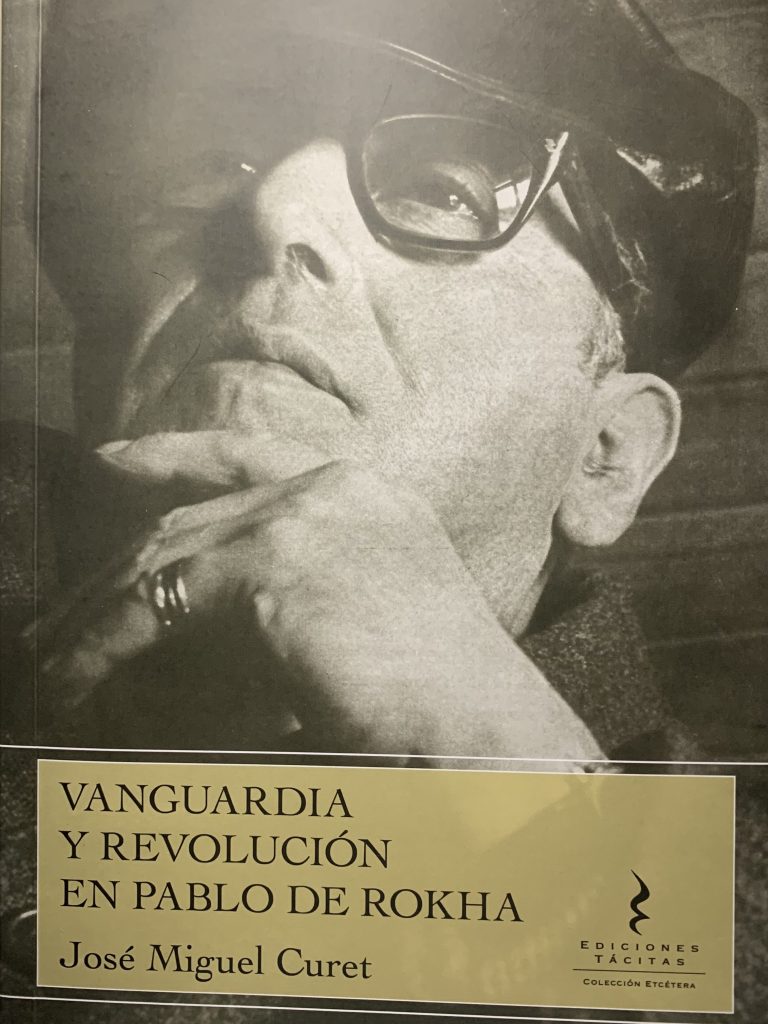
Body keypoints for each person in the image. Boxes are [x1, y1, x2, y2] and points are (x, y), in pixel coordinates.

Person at [1, 0, 765, 1021]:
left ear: (605, 457)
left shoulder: (740, 897)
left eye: (442, 190)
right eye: (214, 165)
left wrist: (506, 768)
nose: (269, 211)